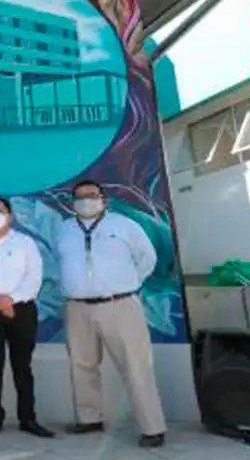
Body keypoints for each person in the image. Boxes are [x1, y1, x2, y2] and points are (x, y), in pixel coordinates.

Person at [56, 179, 166, 449]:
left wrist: (126, 286)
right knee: (81, 366)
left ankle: (152, 427)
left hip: (120, 306)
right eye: (79, 197)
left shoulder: (124, 225)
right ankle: (89, 418)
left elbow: (147, 258)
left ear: (103, 198)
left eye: (91, 195)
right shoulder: (64, 229)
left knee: (135, 366)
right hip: (77, 307)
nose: (85, 201)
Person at [0, 196, 53, 438]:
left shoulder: (25, 243)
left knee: (22, 366)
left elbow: (34, 277)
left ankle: (28, 418)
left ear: (10, 215)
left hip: (22, 310)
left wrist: (11, 299)